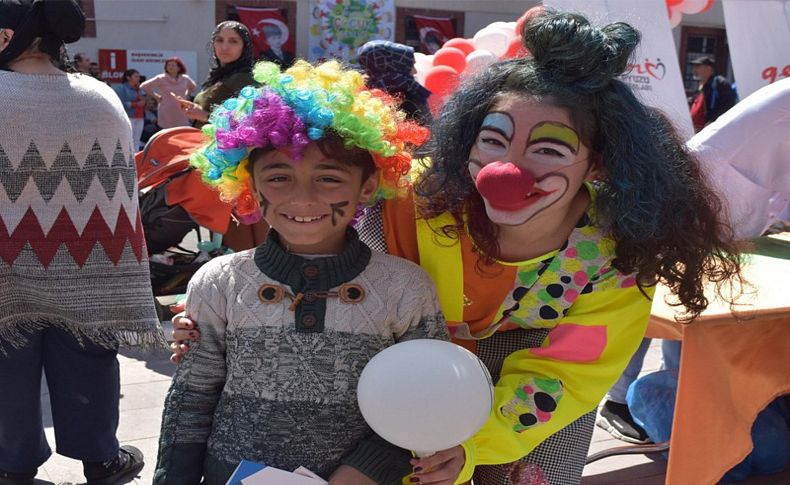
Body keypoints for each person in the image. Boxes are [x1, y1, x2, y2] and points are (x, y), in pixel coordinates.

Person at [172, 10, 743, 484]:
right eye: (493, 140)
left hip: (532, 390)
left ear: (597, 161)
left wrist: (473, 442)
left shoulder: (618, 259)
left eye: (548, 149)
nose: (506, 170)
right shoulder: (412, 200)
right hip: (405, 374)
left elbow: (567, 375)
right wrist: (224, 309)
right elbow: (309, 223)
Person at [153, 59, 447, 485]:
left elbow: (420, 400)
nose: (302, 199)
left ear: (367, 186)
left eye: (329, 179)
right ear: (249, 184)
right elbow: (192, 398)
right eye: (278, 177)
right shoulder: (218, 281)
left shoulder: (405, 288)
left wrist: (362, 472)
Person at [0, 1, 165, 484]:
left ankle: (13, 463)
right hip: (90, 259)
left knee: (8, 360)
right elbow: (120, 191)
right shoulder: (100, 96)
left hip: (7, 260)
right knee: (90, 355)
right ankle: (100, 458)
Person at [599, 77, 790, 445]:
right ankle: (617, 401)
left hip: (732, 197)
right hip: (699, 190)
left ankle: (677, 393)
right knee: (651, 292)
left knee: (694, 301)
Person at [175, 20, 268, 251]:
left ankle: (253, 277)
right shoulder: (219, 77)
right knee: (225, 223)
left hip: (237, 163)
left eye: (233, 41)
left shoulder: (247, 78)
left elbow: (250, 120)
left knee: (242, 227)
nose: (224, 47)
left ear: (244, 47)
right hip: (215, 159)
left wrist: (204, 115)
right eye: (219, 40)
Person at [357, 40, 432, 125]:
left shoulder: (361, 94)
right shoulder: (404, 95)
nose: (415, 71)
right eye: (411, 65)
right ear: (396, 66)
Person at [140, 56, 197, 129]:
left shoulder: (185, 78)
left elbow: (193, 87)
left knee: (181, 131)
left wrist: (186, 94)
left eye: (173, 65)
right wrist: (156, 96)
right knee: (167, 131)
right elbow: (144, 86)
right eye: (168, 65)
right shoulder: (161, 78)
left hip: (181, 109)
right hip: (166, 109)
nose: (170, 67)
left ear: (179, 67)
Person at [689, 56, 737, 132]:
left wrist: (712, 123)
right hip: (698, 130)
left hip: (713, 131)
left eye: (698, 66)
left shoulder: (720, 84)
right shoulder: (700, 87)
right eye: (694, 67)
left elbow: (728, 106)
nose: (694, 70)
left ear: (709, 68)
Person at [114, 68, 145, 149]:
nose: (138, 78)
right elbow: (118, 103)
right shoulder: (121, 88)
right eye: (136, 76)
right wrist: (134, 104)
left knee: (137, 140)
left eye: (138, 77)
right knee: (127, 139)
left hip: (139, 116)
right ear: (128, 77)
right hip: (128, 116)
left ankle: (136, 158)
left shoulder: (140, 88)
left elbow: (144, 101)